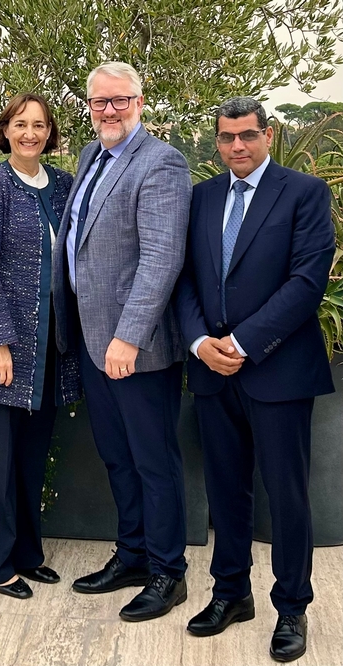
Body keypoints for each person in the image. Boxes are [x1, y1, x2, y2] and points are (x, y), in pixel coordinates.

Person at [175, 97, 335, 662]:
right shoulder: (201, 198)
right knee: (226, 491)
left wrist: (242, 344)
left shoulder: (305, 193)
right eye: (226, 137)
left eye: (247, 135)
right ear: (216, 141)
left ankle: (292, 607)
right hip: (213, 372)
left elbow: (306, 282)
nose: (236, 146)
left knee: (287, 496)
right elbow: (187, 280)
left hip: (278, 373)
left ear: (268, 134)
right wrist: (201, 344)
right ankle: (231, 593)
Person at [53, 62, 192, 621]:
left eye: (120, 101)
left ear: (139, 100)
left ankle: (168, 572)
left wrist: (128, 338)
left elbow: (161, 259)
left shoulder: (161, 163)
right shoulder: (92, 156)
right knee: (117, 458)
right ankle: (132, 554)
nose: (109, 111)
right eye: (99, 102)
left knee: (153, 461)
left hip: (136, 349)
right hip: (92, 342)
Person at [0, 93, 81, 600]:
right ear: (4, 130)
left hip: (53, 347)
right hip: (6, 349)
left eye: (39, 125)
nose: (30, 133)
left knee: (32, 457)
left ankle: (28, 553)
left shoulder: (64, 186)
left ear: (50, 133)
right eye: (20, 124)